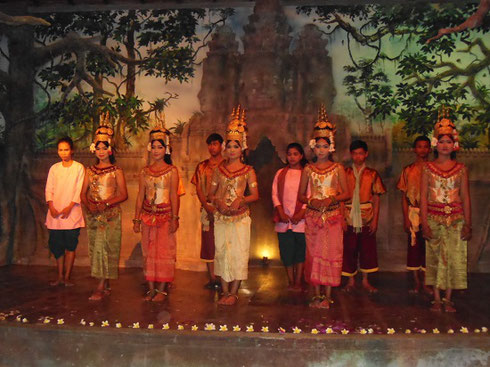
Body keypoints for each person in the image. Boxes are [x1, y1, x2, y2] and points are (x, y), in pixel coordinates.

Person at [420, 109, 471, 312]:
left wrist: (468, 223)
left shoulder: (461, 169)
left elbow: (465, 197)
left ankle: (448, 298)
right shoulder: (427, 168)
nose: (445, 145)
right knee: (434, 257)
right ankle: (436, 298)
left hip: (456, 219)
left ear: (454, 144)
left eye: (449, 141)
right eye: (441, 141)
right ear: (435, 143)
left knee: (453, 257)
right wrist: (424, 222)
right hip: (433, 217)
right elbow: (423, 197)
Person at [298, 105, 349, 309]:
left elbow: (346, 193)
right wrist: (312, 201)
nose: (321, 150)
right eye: (318, 146)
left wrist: (332, 199)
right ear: (313, 147)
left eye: (324, 146)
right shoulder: (308, 169)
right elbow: (301, 195)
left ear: (331, 147)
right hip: (313, 217)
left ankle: (328, 296)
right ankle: (316, 295)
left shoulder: (338, 169)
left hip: (333, 216)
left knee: (331, 254)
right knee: (314, 255)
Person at [208, 106, 259, 306]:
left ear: (242, 148)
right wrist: (217, 201)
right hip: (222, 217)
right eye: (228, 146)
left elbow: (255, 195)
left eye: (235, 146)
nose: (231, 150)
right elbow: (210, 194)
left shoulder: (248, 171)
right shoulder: (218, 171)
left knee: (238, 252)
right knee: (221, 252)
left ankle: (234, 292)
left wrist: (242, 199)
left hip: (240, 218)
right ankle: (225, 290)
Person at [81, 112, 128, 301]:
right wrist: (90, 206)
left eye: (104, 147)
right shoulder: (89, 170)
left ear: (110, 149)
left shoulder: (117, 171)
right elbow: (82, 194)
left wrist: (105, 204)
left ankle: (100, 285)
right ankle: (104, 283)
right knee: (96, 248)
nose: (101, 151)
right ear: (94, 149)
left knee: (107, 248)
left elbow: (123, 194)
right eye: (98, 147)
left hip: (110, 215)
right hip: (93, 215)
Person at [133, 114, 179, 302]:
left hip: (165, 216)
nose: (156, 150)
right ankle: (150, 289)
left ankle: (162, 290)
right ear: (149, 148)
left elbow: (174, 195)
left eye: (160, 147)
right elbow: (140, 196)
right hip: (147, 217)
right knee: (148, 252)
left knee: (164, 252)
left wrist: (175, 218)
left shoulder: (172, 171)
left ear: (166, 149)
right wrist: (136, 219)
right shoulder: (145, 171)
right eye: (153, 146)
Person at [342, 140, 386, 293]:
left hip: (367, 216)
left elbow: (376, 198)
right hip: (348, 215)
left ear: (366, 154)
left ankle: (366, 280)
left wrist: (375, 220)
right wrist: (341, 218)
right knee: (349, 248)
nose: (358, 156)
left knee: (367, 249)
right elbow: (340, 197)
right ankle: (351, 280)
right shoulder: (345, 173)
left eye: (361, 153)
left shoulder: (372, 174)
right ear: (351, 154)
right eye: (354, 153)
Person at [45, 137, 85, 287]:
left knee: (70, 246)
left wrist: (70, 206)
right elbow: (49, 188)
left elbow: (78, 189)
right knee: (57, 246)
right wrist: (51, 206)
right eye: (60, 150)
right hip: (55, 214)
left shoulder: (78, 168)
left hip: (72, 213)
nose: (63, 153)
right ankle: (59, 276)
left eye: (66, 149)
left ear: (72, 150)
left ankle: (67, 277)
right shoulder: (54, 168)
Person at [397, 136, 432, 294]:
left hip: (431, 212)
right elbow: (404, 197)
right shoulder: (408, 170)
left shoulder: (434, 170)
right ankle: (417, 282)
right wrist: (406, 218)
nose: (422, 149)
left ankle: (427, 281)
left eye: (425, 146)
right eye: (419, 146)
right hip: (413, 212)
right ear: (414, 149)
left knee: (428, 248)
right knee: (414, 248)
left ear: (430, 149)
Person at [272, 143, 308, 290]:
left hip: (301, 220)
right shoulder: (280, 173)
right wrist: (280, 211)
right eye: (289, 154)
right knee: (286, 250)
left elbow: (310, 194)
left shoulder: (306, 173)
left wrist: (301, 213)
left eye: (295, 154)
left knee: (300, 251)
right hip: (283, 219)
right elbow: (274, 193)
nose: (292, 157)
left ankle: (298, 281)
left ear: (301, 156)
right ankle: (291, 281)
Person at [191, 133, 225, 290]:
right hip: (207, 209)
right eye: (210, 144)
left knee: (223, 244)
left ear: (221, 146)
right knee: (209, 244)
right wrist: (206, 205)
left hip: (224, 210)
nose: (212, 147)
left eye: (215, 144)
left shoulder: (226, 165)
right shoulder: (202, 166)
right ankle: (212, 279)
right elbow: (198, 187)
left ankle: (223, 277)